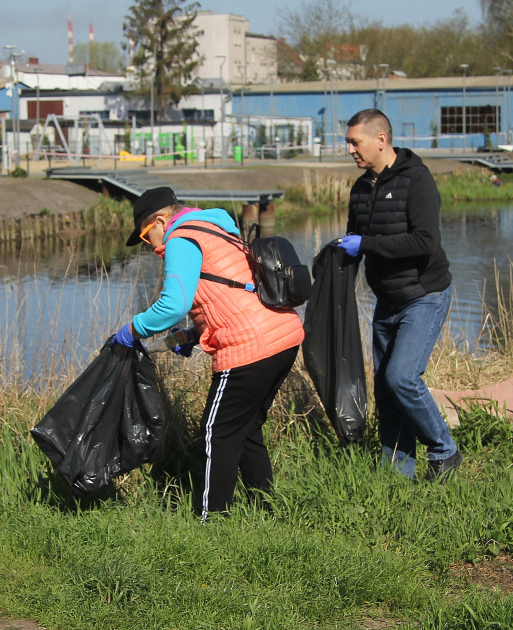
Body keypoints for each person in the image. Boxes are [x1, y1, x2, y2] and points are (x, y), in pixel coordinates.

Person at [110, 187, 304, 519]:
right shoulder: (213, 228)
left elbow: (174, 304)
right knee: (246, 428)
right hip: (283, 336)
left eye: (145, 236)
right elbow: (230, 292)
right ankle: (267, 509)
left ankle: (213, 522)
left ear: (160, 220)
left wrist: (132, 330)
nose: (149, 245)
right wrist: (193, 333)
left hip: (249, 347)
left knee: (216, 433)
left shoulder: (180, 238)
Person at [334, 108, 462, 483]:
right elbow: (356, 247)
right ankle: (397, 474)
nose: (350, 150)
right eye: (347, 142)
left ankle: (444, 449)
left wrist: (368, 243)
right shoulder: (360, 189)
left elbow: (425, 242)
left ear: (381, 140)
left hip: (424, 294)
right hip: (385, 300)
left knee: (402, 377)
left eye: (354, 142)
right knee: (386, 390)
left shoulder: (417, 180)